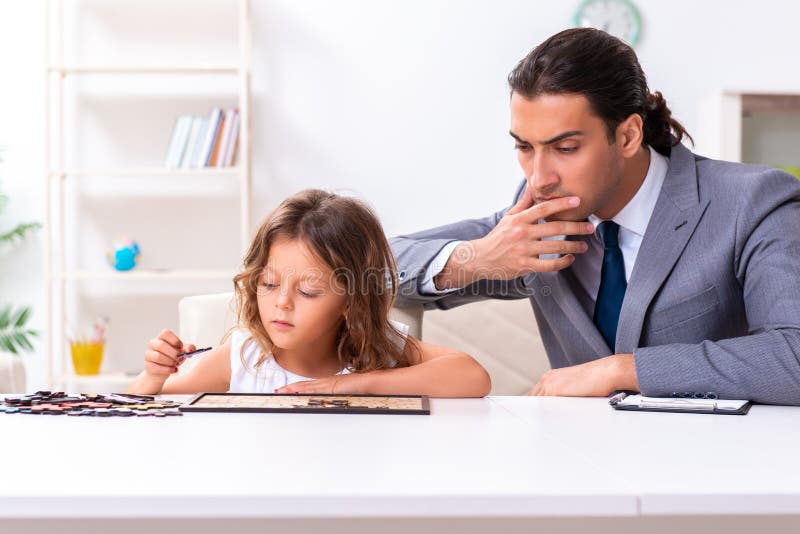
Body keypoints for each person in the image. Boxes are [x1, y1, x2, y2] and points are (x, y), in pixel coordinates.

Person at [391, 28, 800, 405]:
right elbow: (374, 267)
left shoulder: (753, 203)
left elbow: (793, 355)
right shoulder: (536, 216)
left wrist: (624, 370)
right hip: (575, 456)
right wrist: (477, 259)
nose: (539, 177)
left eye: (565, 148)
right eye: (525, 147)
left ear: (628, 136)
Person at [128, 189, 491, 397]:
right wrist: (153, 376)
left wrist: (354, 384)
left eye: (308, 291)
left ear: (350, 301)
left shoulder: (379, 350)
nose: (281, 303)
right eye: (269, 284)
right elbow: (134, 405)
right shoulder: (244, 359)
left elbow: (472, 376)